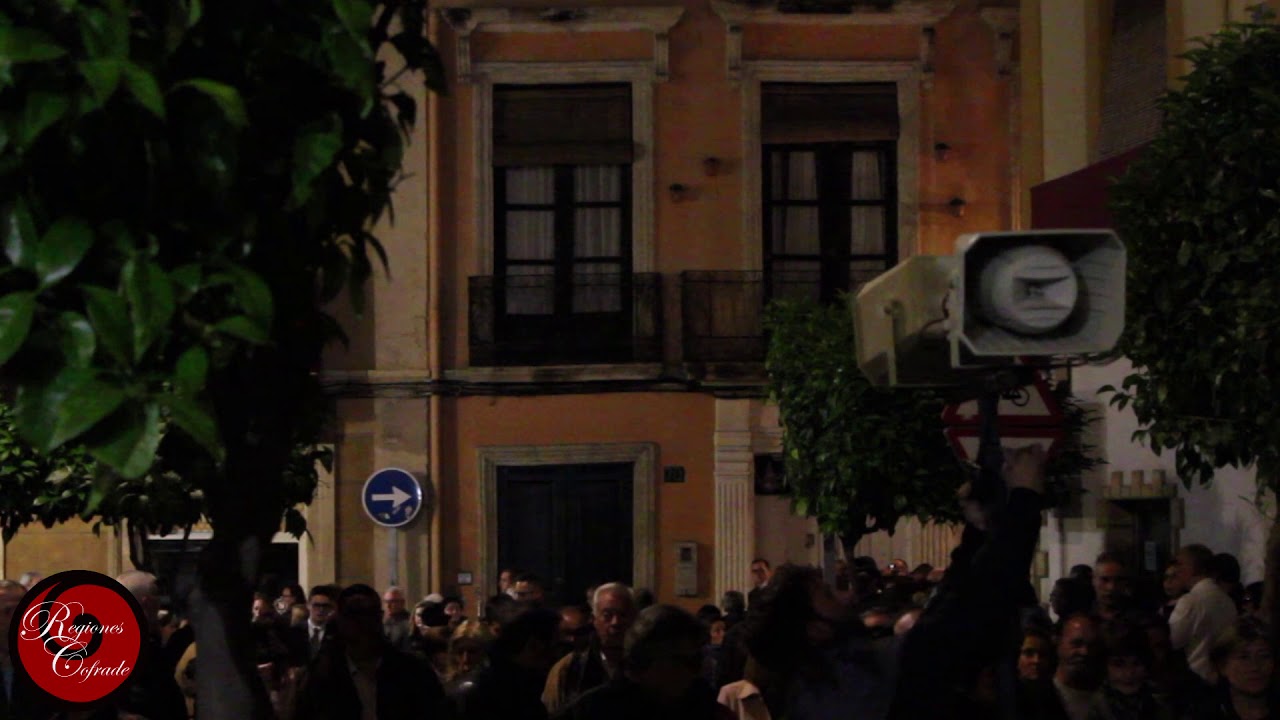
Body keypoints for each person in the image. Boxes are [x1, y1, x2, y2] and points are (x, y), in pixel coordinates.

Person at [295, 583, 448, 720]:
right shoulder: (320, 676)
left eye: (368, 614)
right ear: (341, 620)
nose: (362, 623)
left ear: (379, 617)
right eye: (354, 615)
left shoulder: (413, 672)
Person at [560, 605, 735, 720]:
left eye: (698, 660)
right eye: (686, 661)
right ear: (647, 659)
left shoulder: (707, 710)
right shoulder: (593, 711)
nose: (696, 671)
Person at [543, 583, 636, 716]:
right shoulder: (570, 667)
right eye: (607, 615)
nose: (616, 622)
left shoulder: (647, 666)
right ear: (594, 620)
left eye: (623, 615)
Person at [455, 606, 561, 720]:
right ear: (534, 645)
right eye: (555, 644)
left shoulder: (522, 683)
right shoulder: (494, 691)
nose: (556, 652)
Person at [1183, 616, 1277, 719]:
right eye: (1244, 657)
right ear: (1222, 666)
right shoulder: (1205, 712)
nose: (1255, 666)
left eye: (1264, 656)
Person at [1169, 544, 1238, 681]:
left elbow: (1172, 640)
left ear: (1192, 567)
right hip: (1221, 676)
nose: (1175, 571)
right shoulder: (1227, 601)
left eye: (1179, 564)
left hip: (1196, 678)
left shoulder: (1190, 601)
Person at [1086, 622, 1171, 720]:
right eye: (1119, 664)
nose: (1129, 673)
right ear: (1104, 666)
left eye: (1137, 663)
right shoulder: (1097, 706)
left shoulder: (1159, 700)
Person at [1053, 613, 1102, 720]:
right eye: (1076, 643)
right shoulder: (1038, 696)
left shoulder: (1107, 700)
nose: (1085, 652)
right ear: (1058, 643)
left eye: (1091, 645)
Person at [1093, 552, 1130, 621]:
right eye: (1104, 580)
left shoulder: (1141, 620)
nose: (1111, 587)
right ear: (1094, 580)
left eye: (1118, 580)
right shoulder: (1082, 617)